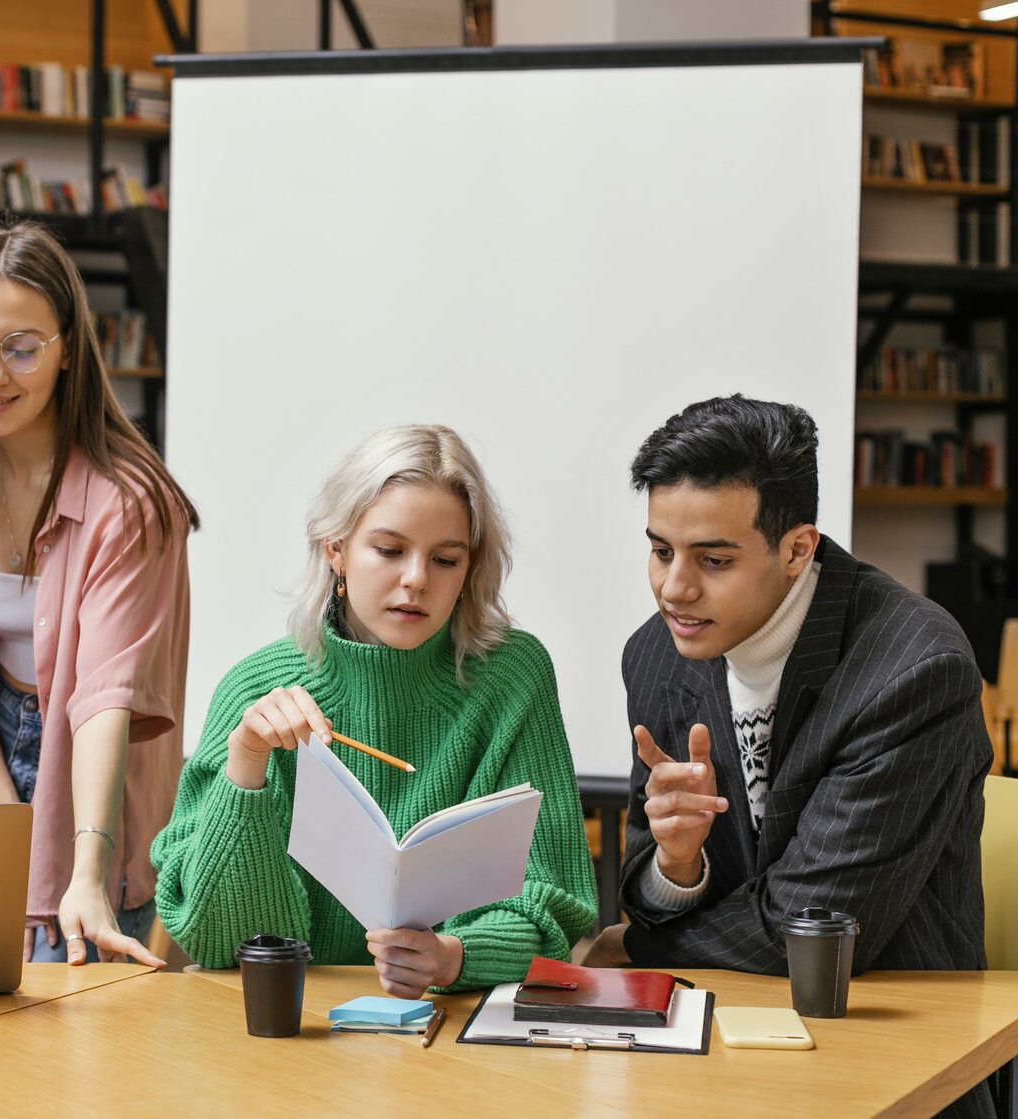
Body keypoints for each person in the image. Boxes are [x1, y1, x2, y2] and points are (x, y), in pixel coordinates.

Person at [150, 425, 596, 995]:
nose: (416, 579)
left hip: (455, 1028)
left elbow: (552, 899)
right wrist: (246, 769)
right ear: (335, 550)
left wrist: (455, 957)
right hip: (296, 1032)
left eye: (446, 559)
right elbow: (218, 941)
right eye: (389, 550)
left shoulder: (513, 676)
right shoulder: (253, 690)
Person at [583, 395, 987, 978]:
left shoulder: (916, 668)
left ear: (798, 549)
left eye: (713, 561)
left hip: (889, 1023)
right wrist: (677, 866)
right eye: (661, 551)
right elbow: (647, 896)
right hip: (721, 1019)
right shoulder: (655, 657)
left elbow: (815, 927)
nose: (674, 589)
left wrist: (633, 950)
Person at [0, 222, 197, 967]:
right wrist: (9, 824)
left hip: (93, 767)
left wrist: (85, 868)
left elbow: (104, 697)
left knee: (81, 1032)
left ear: (68, 347)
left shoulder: (129, 502)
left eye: (22, 348)